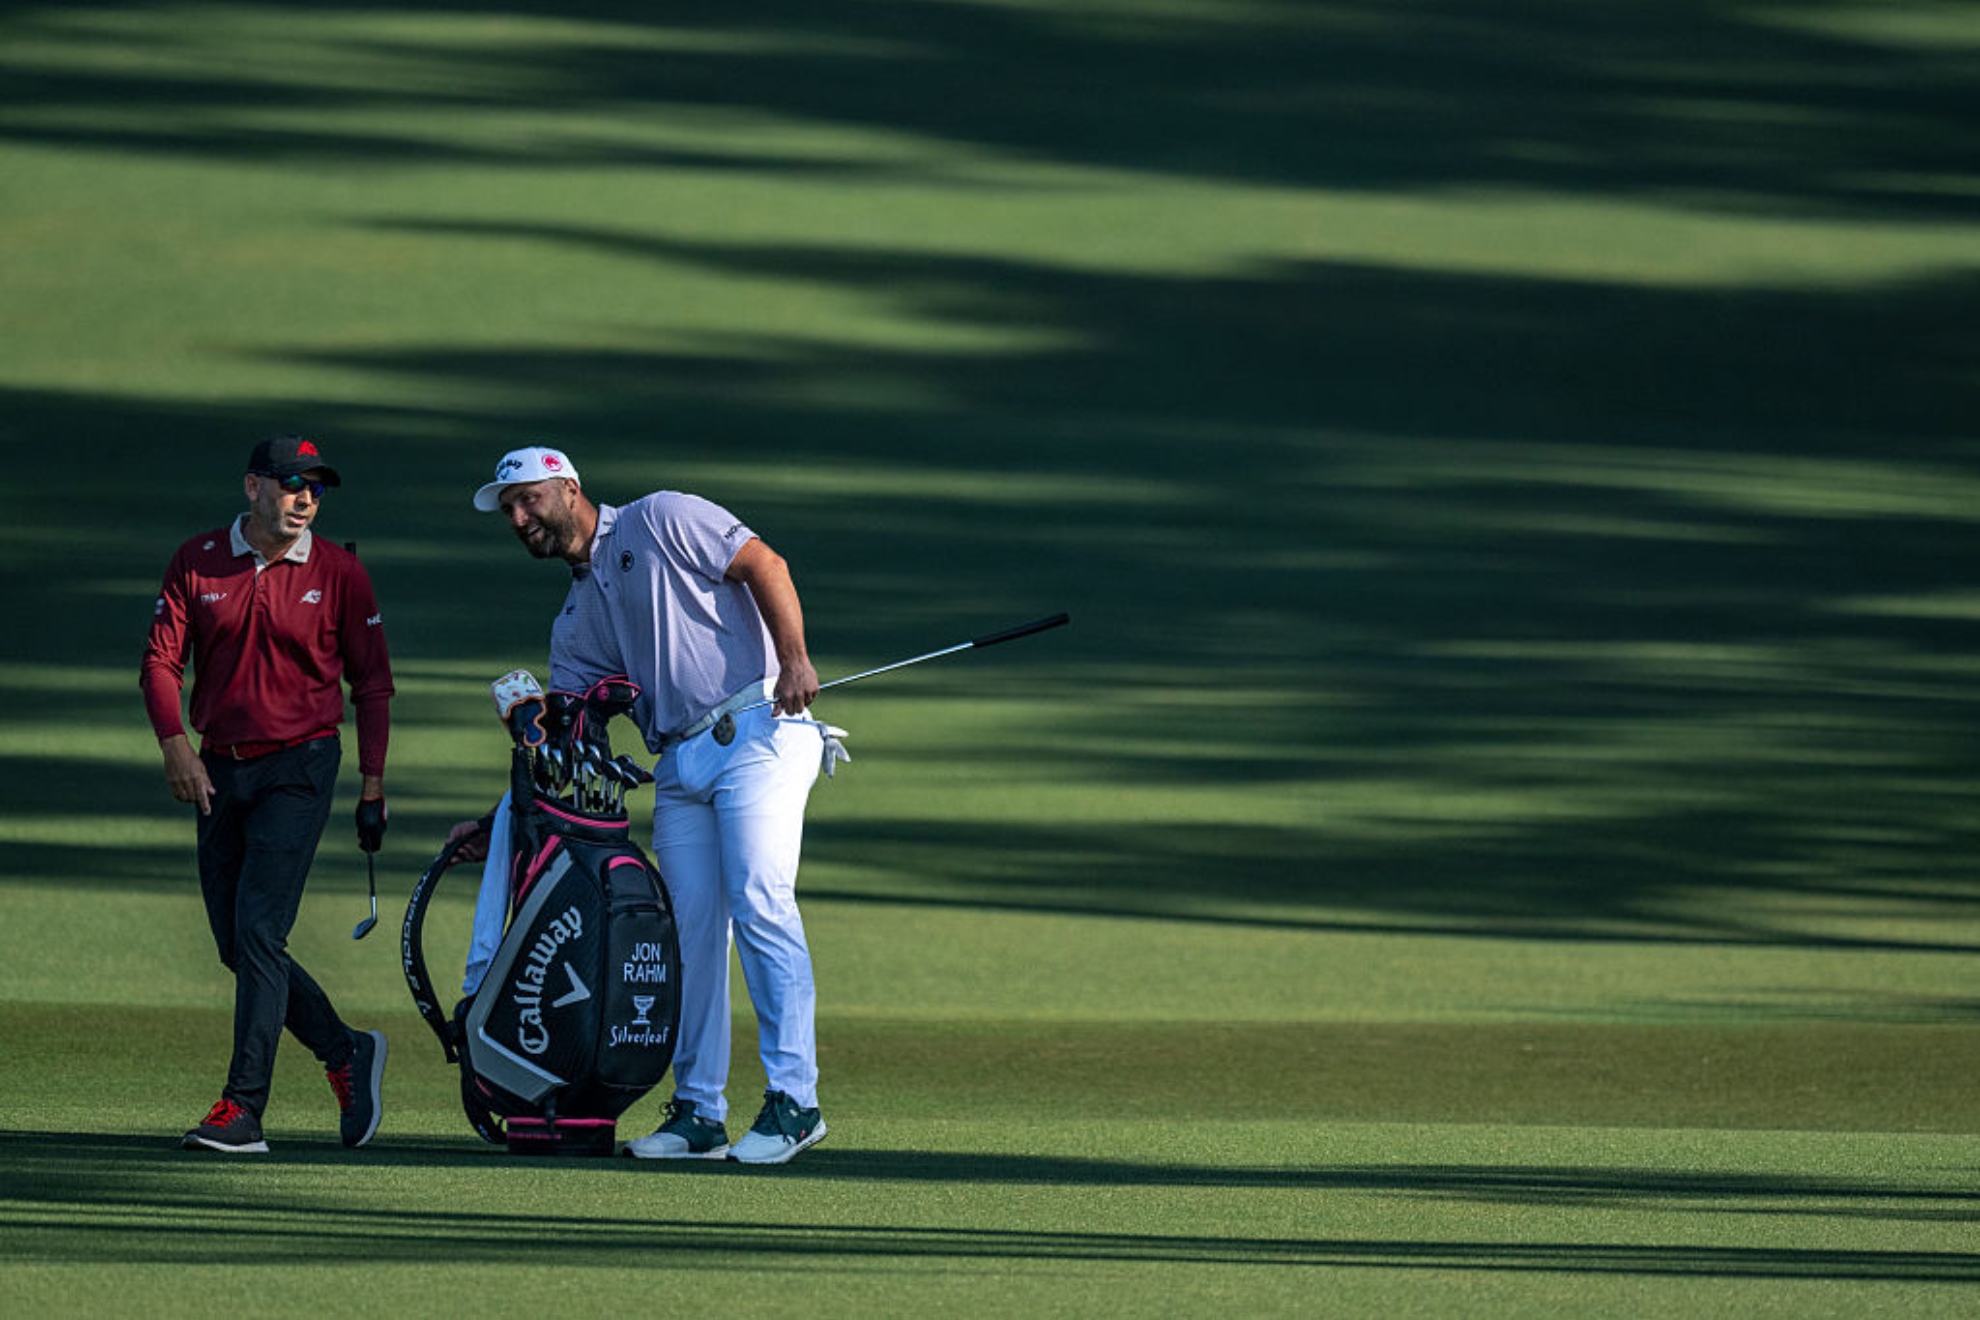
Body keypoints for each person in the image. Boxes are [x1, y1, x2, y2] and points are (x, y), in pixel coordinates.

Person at [464, 445, 840, 1165]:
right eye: (509, 510)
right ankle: (700, 1111)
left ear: (570, 490)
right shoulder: (573, 623)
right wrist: (501, 818)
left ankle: (796, 1102)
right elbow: (565, 737)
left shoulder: (660, 517)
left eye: (529, 499)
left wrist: (793, 658)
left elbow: (766, 565)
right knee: (690, 935)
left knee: (761, 899)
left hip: (758, 727)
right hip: (679, 762)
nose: (518, 518)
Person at [140, 435, 395, 1154]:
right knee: (237, 944)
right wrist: (176, 747)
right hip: (218, 769)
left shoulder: (340, 572)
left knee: (258, 931)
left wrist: (371, 785)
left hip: (301, 767)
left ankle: (243, 1108)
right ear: (253, 487)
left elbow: (371, 684)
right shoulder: (198, 561)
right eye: (291, 484)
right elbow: (160, 664)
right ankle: (344, 1050)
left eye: (315, 487)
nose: (305, 498)